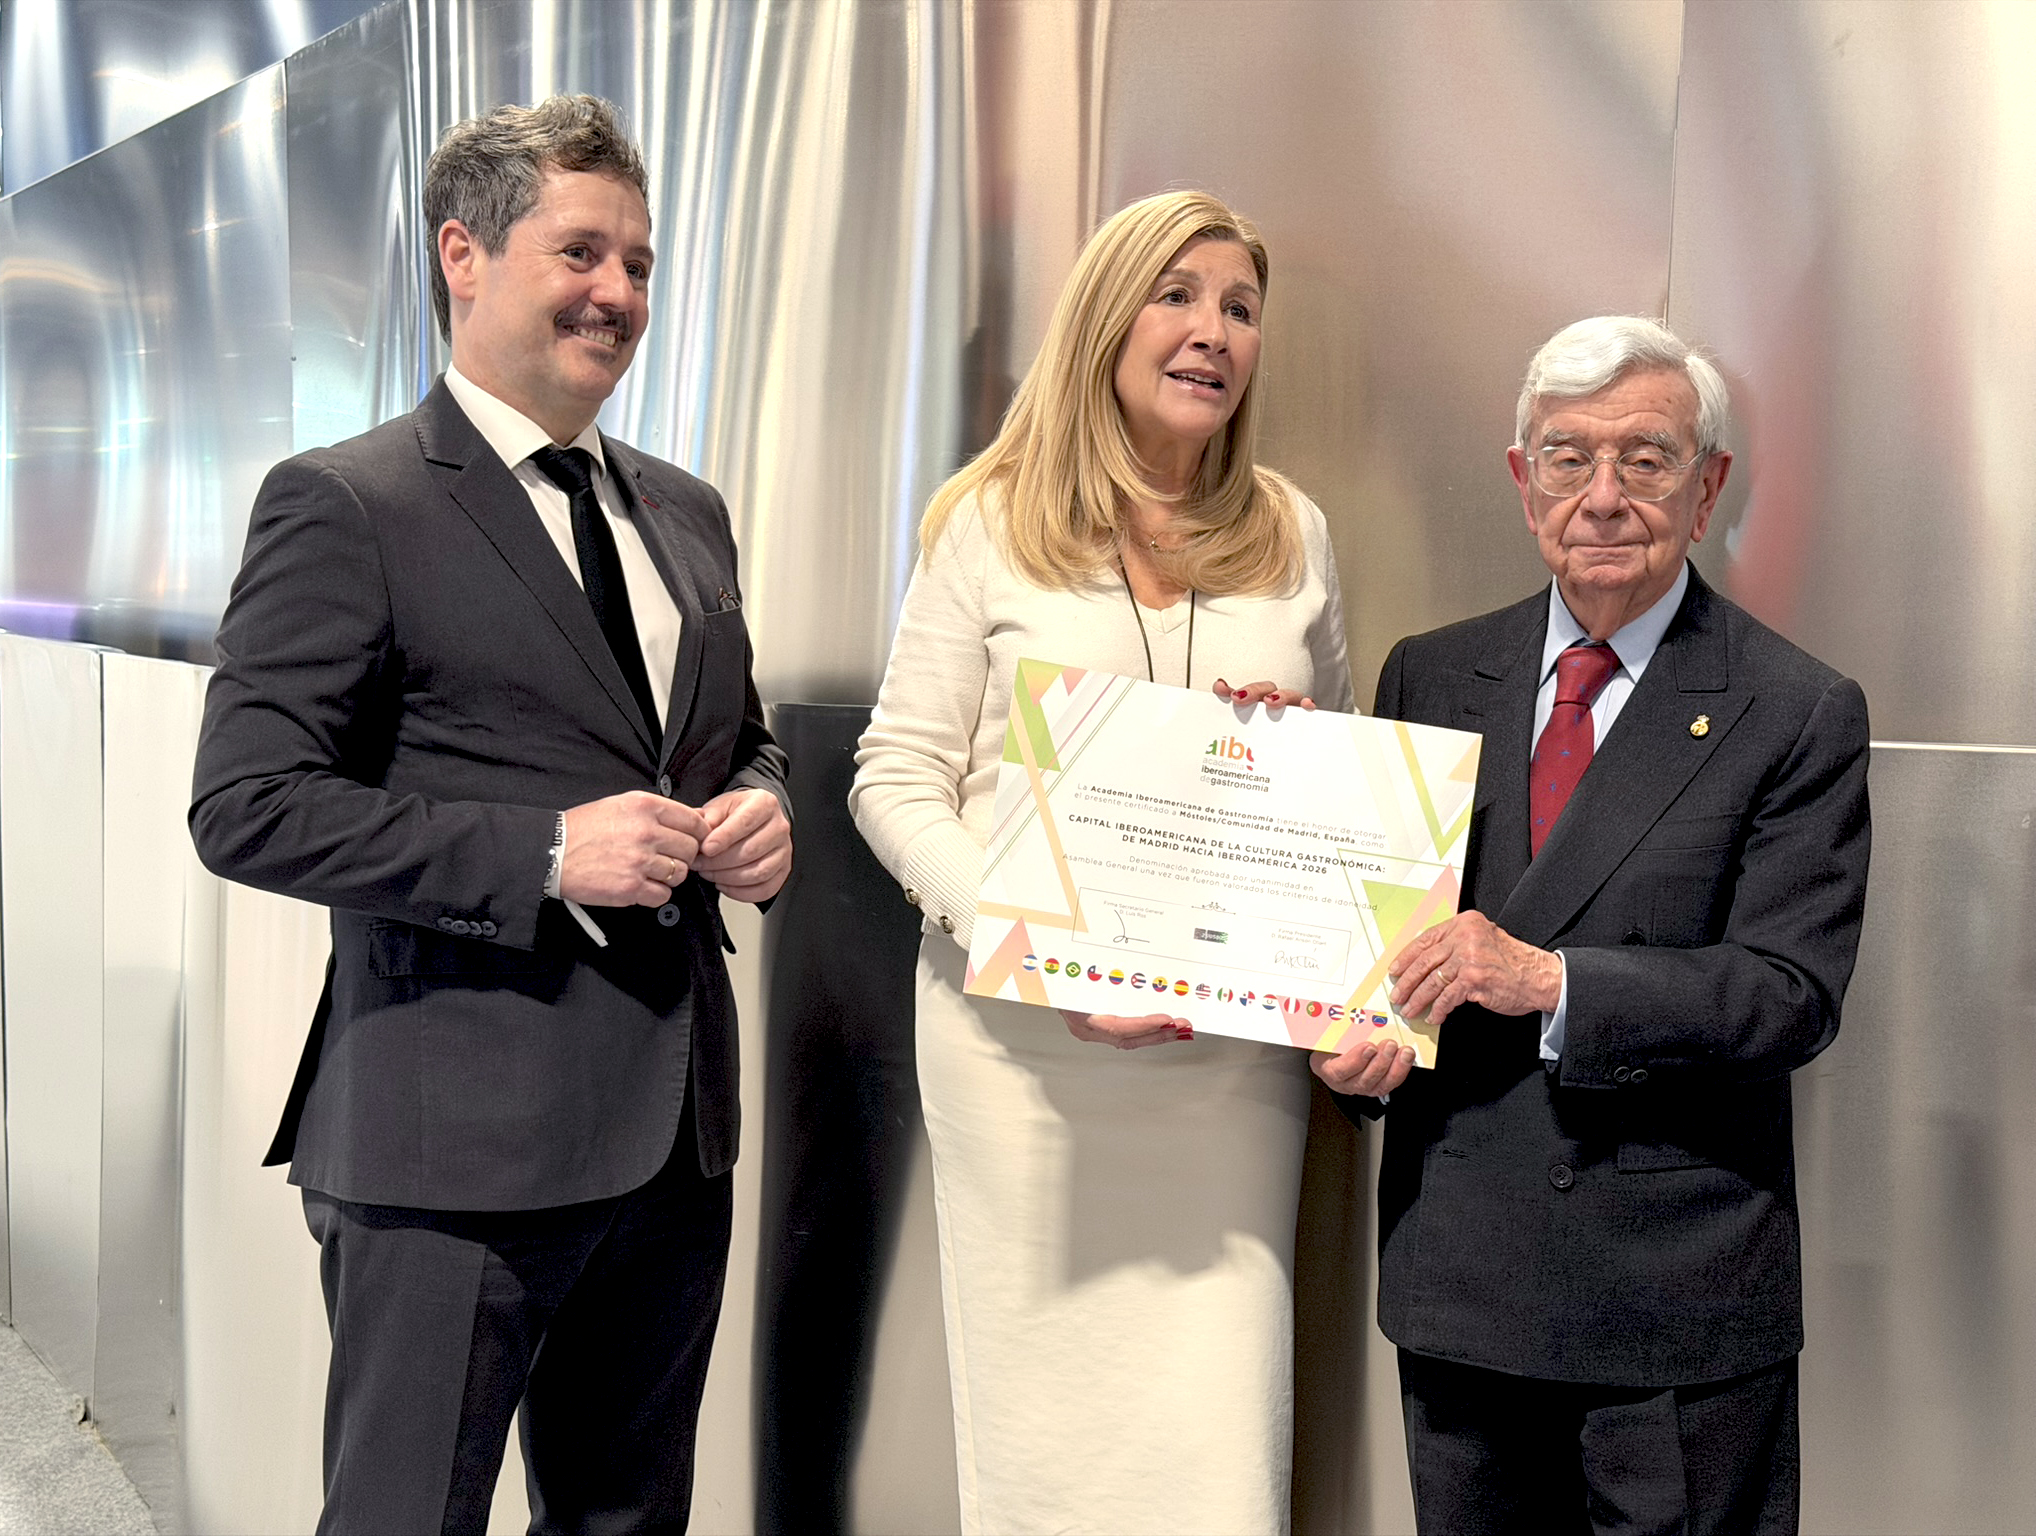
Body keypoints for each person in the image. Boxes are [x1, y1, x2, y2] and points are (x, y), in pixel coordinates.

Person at [189, 96, 790, 1535]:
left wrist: (765, 808)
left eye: (640, 264)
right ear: (463, 254)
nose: (619, 293)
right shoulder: (348, 502)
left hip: (672, 1139)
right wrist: (540, 854)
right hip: (448, 1148)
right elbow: (246, 805)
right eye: (581, 251)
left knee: (625, 1519)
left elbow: (741, 736)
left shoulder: (687, 513)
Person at [850, 189, 1353, 1533]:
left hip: (1228, 1074)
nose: (1212, 331)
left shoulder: (1292, 536)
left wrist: (1292, 759)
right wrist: (1030, 937)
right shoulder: (990, 522)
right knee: (1045, 1445)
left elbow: (1342, 796)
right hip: (1022, 1056)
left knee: (1216, 1442)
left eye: (1240, 308)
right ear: (1104, 318)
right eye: (1177, 295)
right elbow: (896, 780)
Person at [1315, 315, 1869, 1533]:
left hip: (1670, 1307)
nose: (1602, 496)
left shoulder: (1793, 709)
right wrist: (1357, 1047)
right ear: (1522, 483)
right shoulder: (1427, 675)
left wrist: (1551, 982)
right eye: (1566, 458)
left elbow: (1788, 991)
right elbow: (1378, 953)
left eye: (1646, 458)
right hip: (1461, 1284)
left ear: (1708, 484)